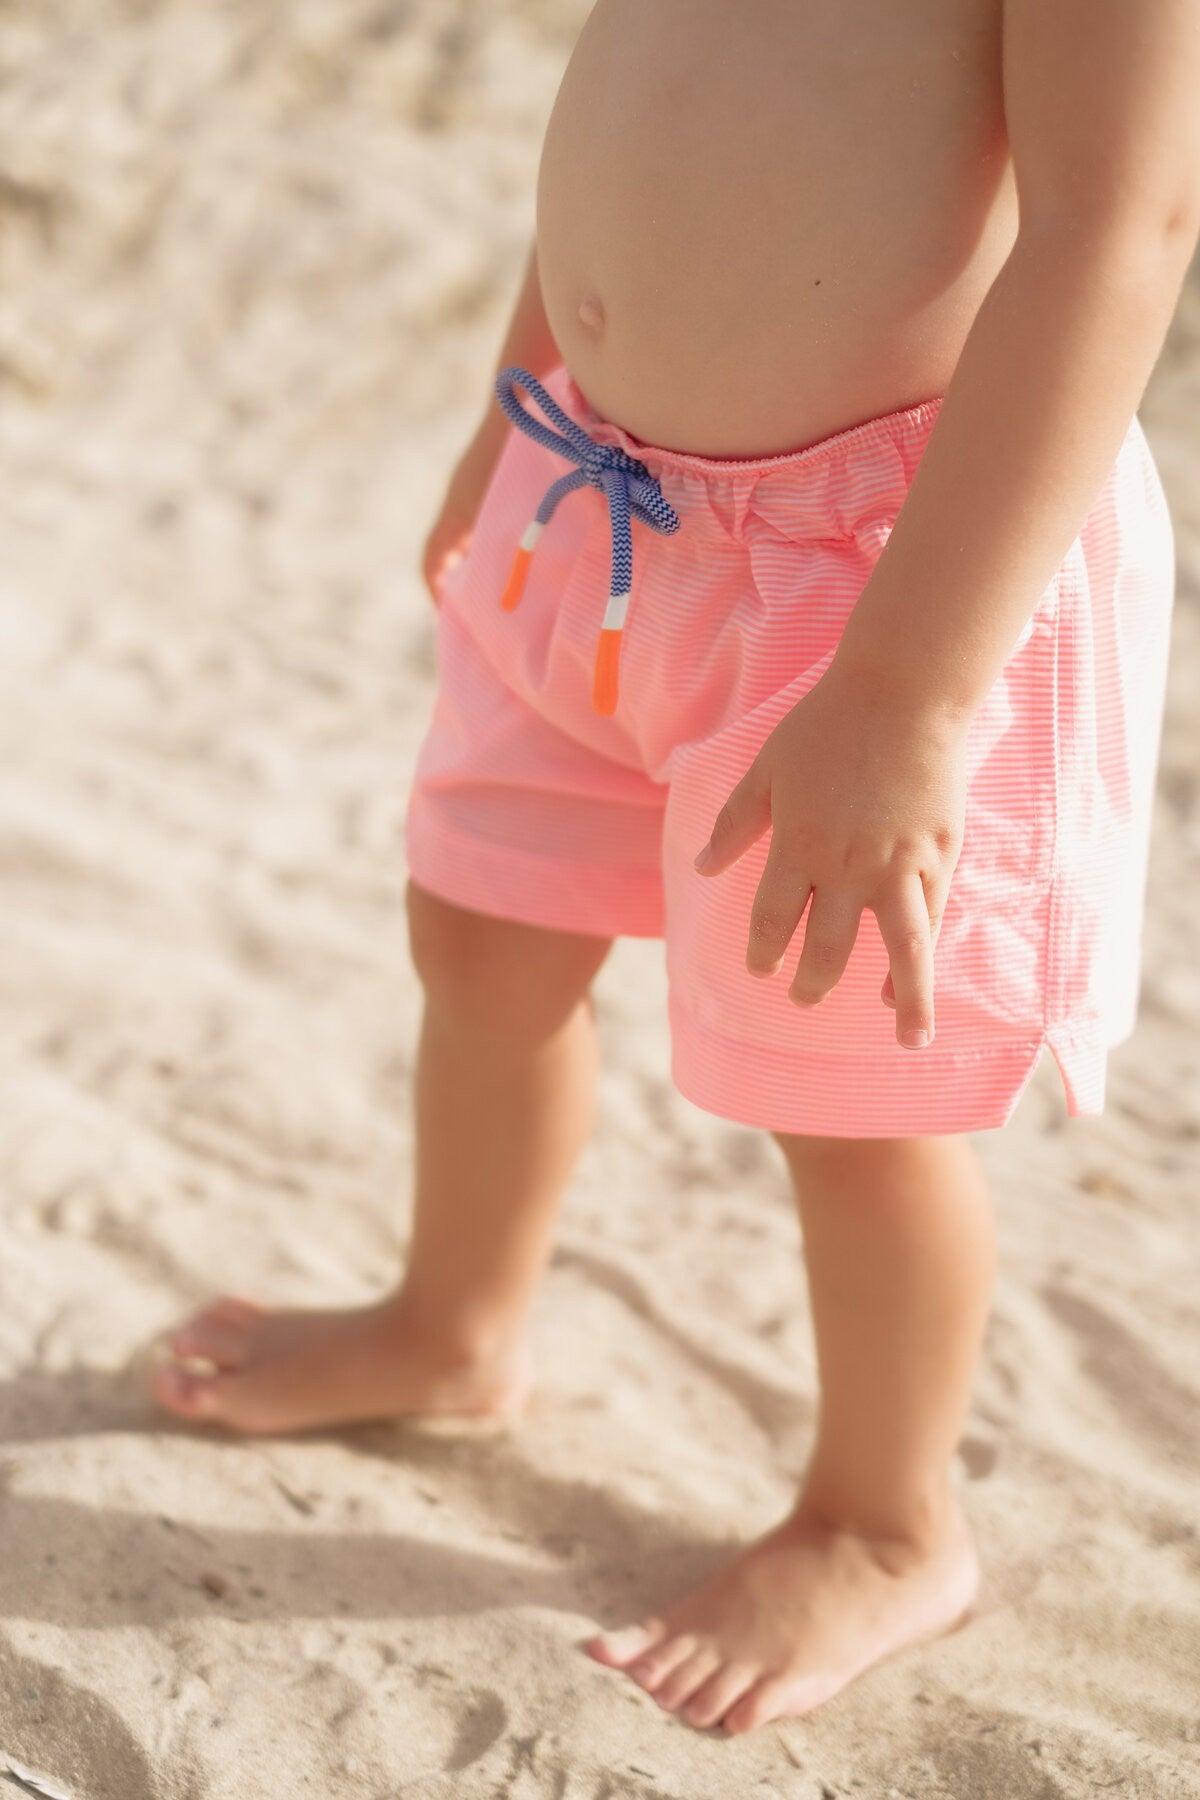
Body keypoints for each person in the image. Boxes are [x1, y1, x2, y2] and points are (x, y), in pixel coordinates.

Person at [151, 0, 1199, 1737]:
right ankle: (454, 1323)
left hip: (878, 587)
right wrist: (514, 407)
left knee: (848, 1098)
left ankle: (884, 1522)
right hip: (600, 488)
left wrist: (908, 692)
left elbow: (1121, 226)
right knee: (480, 939)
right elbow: (636, 108)